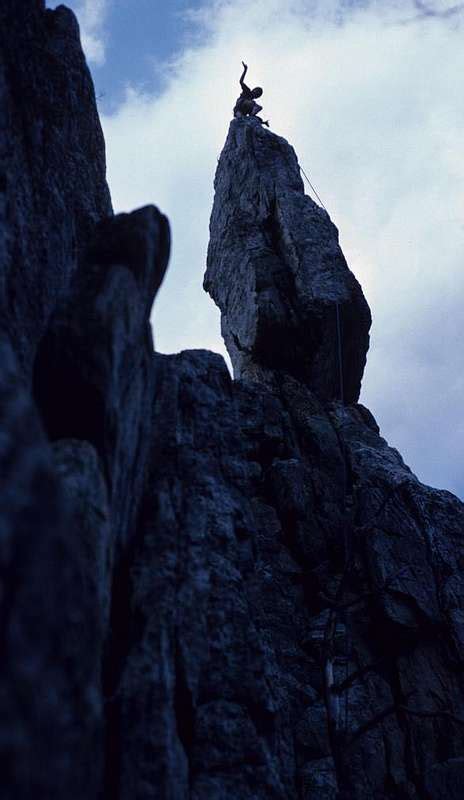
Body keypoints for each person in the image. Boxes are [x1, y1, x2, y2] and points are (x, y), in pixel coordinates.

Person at [233, 62, 269, 126]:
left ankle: (246, 118)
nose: (256, 95)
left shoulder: (252, 104)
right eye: (256, 92)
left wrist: (263, 122)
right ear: (253, 90)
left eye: (258, 95)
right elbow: (241, 81)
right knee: (254, 104)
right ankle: (243, 117)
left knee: (258, 109)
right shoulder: (248, 91)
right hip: (240, 104)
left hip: (243, 112)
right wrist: (245, 70)